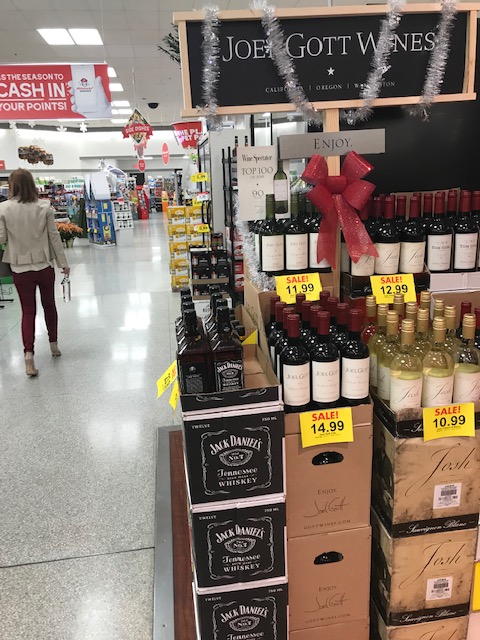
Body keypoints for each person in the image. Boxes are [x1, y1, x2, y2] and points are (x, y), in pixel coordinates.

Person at [0, 169, 70, 377]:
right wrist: (63, 263)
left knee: (28, 311)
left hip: (20, 267)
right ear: (31, 184)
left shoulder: (3, 208)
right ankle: (54, 344)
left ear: (12, 185)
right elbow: (54, 237)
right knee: (49, 305)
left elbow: (1, 238)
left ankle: (28, 356)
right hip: (44, 265)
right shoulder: (44, 206)